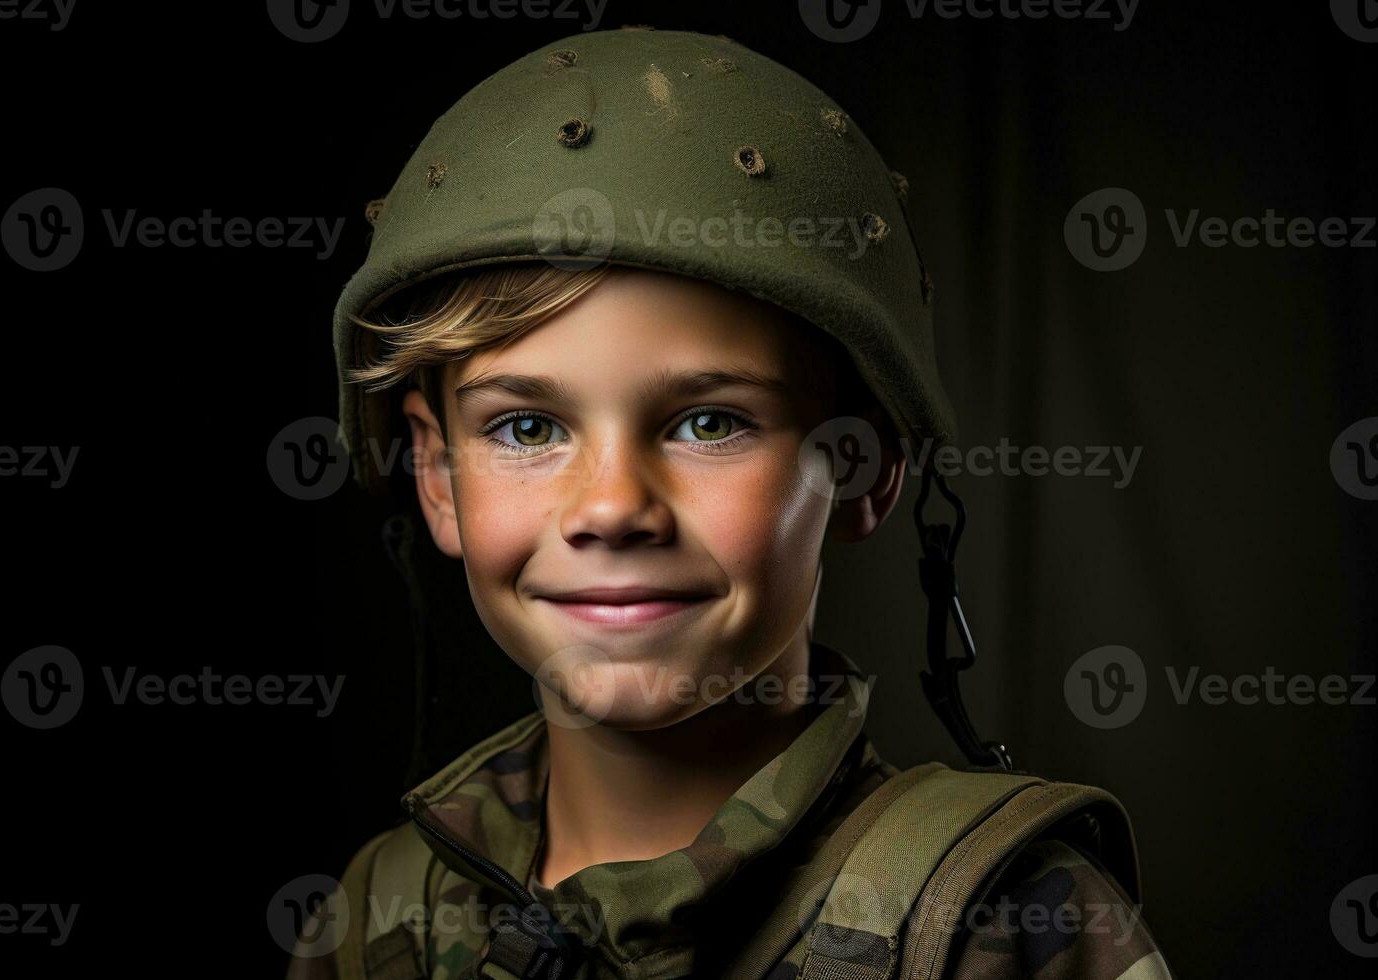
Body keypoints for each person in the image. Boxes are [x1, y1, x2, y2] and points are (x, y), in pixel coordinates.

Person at [288, 26, 1172, 980]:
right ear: (435, 474)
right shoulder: (378, 917)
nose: (614, 507)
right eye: (527, 429)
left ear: (864, 467)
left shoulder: (1001, 926)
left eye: (709, 423)